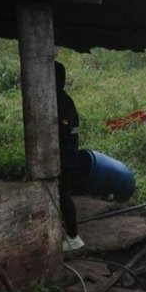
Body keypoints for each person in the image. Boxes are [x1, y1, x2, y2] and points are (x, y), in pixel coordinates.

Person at [56, 61, 85, 252]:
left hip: (66, 157)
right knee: (61, 196)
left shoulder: (61, 102)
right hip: (67, 155)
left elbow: (65, 131)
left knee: (64, 196)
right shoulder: (64, 99)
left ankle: (74, 238)